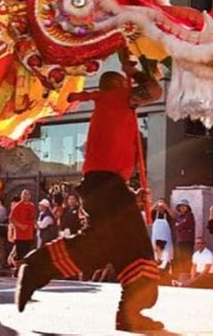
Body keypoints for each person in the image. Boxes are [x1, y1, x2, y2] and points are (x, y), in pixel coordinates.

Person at [15, 57, 165, 332]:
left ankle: (40, 266)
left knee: (103, 246)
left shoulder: (106, 104)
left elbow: (108, 170)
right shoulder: (119, 98)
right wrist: (136, 71)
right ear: (120, 85)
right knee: (133, 246)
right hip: (106, 184)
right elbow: (156, 91)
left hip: (105, 184)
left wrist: (129, 194)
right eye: (125, 82)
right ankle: (130, 310)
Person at [9, 190, 36, 260]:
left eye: (26, 194)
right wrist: (20, 226)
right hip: (19, 236)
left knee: (27, 256)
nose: (25, 196)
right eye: (23, 194)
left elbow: (32, 218)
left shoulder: (32, 206)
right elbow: (11, 218)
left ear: (30, 196)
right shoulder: (17, 206)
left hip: (29, 236)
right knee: (20, 256)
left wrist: (35, 225)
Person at [174, 198, 195, 278]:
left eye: (184, 206)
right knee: (180, 257)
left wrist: (179, 225)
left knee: (187, 256)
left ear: (187, 207)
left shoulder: (190, 215)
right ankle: (182, 274)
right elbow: (176, 226)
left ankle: (187, 274)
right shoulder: (179, 217)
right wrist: (180, 225)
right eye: (181, 206)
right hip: (180, 239)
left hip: (188, 239)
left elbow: (183, 224)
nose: (182, 208)